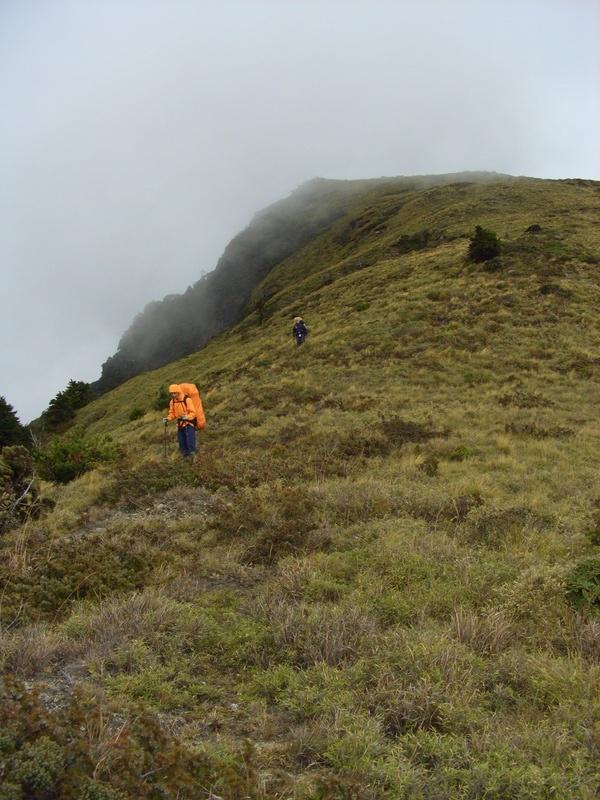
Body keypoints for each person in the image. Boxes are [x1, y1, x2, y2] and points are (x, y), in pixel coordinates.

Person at [163, 384, 197, 458]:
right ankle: (185, 457)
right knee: (182, 442)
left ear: (178, 392)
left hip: (189, 423)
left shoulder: (187, 400)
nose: (173, 395)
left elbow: (193, 413)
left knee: (190, 441)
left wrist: (187, 417)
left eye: (174, 393)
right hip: (180, 425)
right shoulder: (172, 402)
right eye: (172, 393)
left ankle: (193, 457)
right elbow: (172, 413)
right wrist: (168, 419)